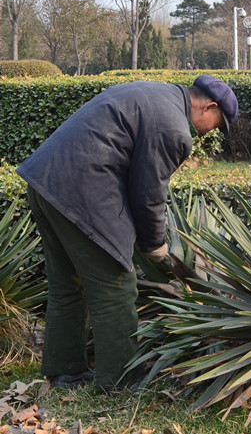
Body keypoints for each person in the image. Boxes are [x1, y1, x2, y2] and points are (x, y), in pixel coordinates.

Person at [16, 75, 239, 389]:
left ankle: (67, 372)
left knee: (68, 283)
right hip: (81, 192)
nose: (212, 131)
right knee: (116, 287)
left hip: (44, 183)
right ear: (209, 107)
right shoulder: (173, 128)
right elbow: (148, 194)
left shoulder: (152, 90)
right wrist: (155, 247)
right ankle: (121, 381)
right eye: (217, 124)